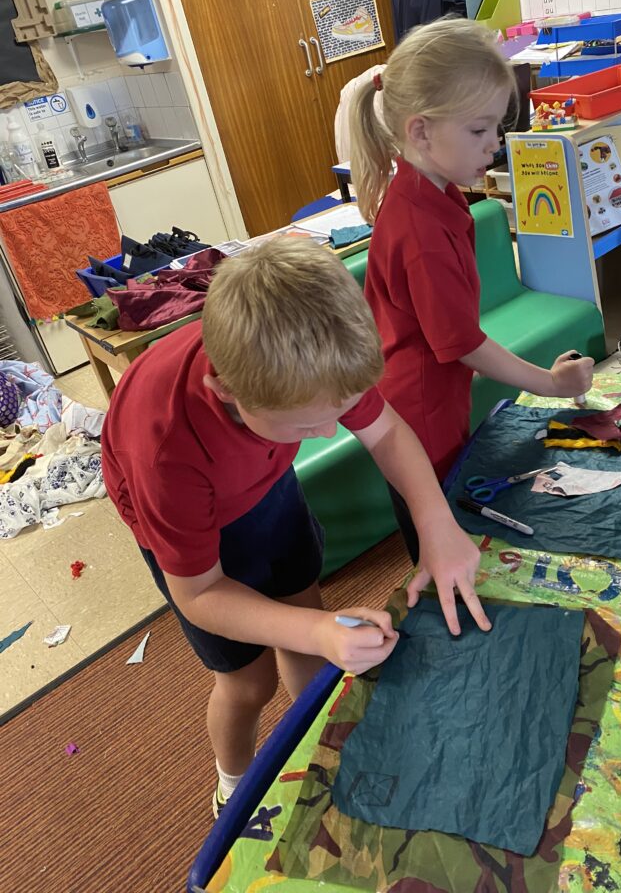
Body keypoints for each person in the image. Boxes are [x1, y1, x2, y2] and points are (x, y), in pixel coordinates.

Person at [101, 237, 490, 817]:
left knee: (305, 608)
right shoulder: (166, 452)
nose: (333, 434)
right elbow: (201, 593)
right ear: (226, 394)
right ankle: (230, 787)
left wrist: (436, 525)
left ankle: (315, 741)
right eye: (312, 425)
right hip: (188, 529)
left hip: (264, 487)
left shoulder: (312, 369)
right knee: (247, 683)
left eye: (339, 414)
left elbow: (385, 433)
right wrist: (319, 634)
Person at [350, 17, 594, 560]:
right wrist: (550, 384)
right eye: (479, 130)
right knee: (439, 540)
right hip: (417, 419)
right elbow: (463, 344)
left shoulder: (433, 191)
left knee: (444, 527)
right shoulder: (419, 230)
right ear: (421, 132)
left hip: (429, 401)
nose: (495, 144)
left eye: (496, 128)